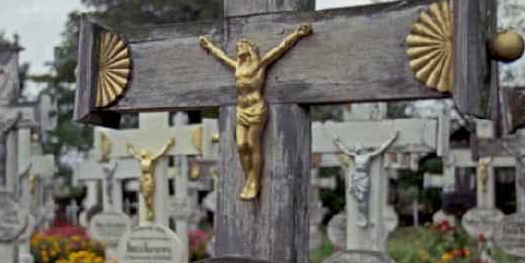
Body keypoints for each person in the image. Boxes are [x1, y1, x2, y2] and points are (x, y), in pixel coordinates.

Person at [199, 25, 312, 200]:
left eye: (241, 46)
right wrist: (209, 46)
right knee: (240, 145)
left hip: (256, 109)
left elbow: (280, 48)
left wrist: (297, 34)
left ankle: (255, 182)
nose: (238, 50)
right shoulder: (237, 66)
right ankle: (248, 178)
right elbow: (221, 57)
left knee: (253, 145)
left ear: (250, 48)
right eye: (237, 48)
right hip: (241, 109)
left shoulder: (260, 64)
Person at [332, 131, 399, 228]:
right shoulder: (354, 156)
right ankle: (361, 217)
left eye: (358, 146)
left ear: (362, 148)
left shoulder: (368, 156)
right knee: (359, 200)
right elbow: (344, 150)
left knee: (363, 199)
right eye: (356, 146)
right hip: (356, 179)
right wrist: (336, 141)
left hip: (363, 179)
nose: (356, 147)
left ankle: (364, 217)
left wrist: (392, 138)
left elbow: (381, 149)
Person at [128, 139, 174, 221]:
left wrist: (168, 144)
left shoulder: (151, 159)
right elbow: (134, 154)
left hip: (149, 178)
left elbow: (161, 153)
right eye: (142, 154)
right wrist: (130, 148)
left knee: (149, 195)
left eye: (144, 153)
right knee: (145, 196)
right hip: (142, 179)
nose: (143, 154)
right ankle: (148, 211)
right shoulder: (141, 160)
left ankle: (150, 210)